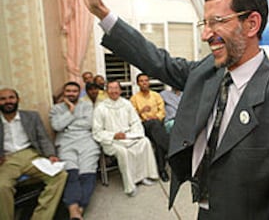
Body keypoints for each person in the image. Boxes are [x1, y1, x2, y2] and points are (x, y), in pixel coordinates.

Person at [71, 0, 269, 219]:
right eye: (205, 24)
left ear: (251, 24)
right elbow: (158, 61)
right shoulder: (206, 72)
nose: (205, 34)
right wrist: (101, 11)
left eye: (217, 22)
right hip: (205, 208)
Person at [0, 88, 67, 220]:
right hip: (7, 159)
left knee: (60, 175)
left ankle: (40, 217)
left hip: (30, 155)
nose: (8, 101)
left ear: (17, 100)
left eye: (11, 97)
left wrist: (50, 155)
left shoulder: (31, 116)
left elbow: (43, 138)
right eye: (3, 99)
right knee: (2, 187)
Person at [93, 80, 159, 196]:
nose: (114, 91)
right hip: (111, 140)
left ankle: (143, 176)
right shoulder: (100, 108)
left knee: (144, 142)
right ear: (107, 91)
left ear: (120, 90)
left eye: (116, 88)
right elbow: (97, 131)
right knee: (123, 152)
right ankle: (130, 185)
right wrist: (113, 135)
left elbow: (135, 122)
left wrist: (133, 134)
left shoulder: (126, 104)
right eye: (111, 88)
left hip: (127, 136)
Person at [49, 82, 100, 220]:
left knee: (87, 174)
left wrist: (68, 124)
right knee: (71, 174)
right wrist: (71, 111)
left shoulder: (87, 106)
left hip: (86, 142)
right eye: (68, 91)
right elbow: (57, 126)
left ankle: (77, 211)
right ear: (64, 93)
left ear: (79, 93)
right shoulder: (56, 109)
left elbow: (89, 124)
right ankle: (75, 210)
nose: (71, 94)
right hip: (65, 144)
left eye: (74, 91)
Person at [130, 73, 170, 182]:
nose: (144, 83)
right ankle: (170, 150)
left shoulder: (156, 96)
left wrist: (155, 116)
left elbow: (162, 111)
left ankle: (162, 170)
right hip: (144, 125)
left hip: (157, 124)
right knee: (155, 127)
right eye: (141, 81)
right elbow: (132, 117)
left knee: (158, 142)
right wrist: (141, 112)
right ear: (138, 83)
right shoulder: (134, 99)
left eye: (146, 80)